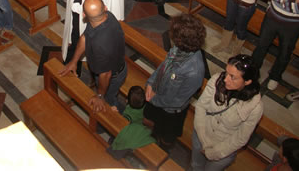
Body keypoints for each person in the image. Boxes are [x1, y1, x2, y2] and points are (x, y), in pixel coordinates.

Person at [192, 55, 263, 170]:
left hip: (222, 151)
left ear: (247, 81)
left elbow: (240, 138)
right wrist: (203, 139)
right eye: (226, 73)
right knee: (195, 165)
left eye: (232, 77)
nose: (225, 79)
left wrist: (214, 152)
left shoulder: (255, 107)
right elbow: (201, 107)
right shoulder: (217, 80)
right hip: (201, 135)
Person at [144, 14, 206, 147]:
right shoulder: (179, 48)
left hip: (171, 111)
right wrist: (150, 83)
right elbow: (164, 66)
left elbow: (176, 101)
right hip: (157, 96)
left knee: (166, 136)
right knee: (154, 126)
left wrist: (154, 99)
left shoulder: (194, 70)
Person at [60, 0, 126, 111]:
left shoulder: (100, 45)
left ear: (83, 15)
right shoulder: (107, 16)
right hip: (110, 67)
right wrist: (74, 61)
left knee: (108, 100)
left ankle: (113, 120)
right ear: (105, 8)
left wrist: (100, 96)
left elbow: (105, 74)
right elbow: (85, 37)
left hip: (112, 76)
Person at [109, 86, 156, 158]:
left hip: (131, 129)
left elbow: (123, 123)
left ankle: (113, 144)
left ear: (127, 100)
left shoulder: (128, 112)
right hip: (140, 126)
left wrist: (115, 113)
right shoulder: (146, 108)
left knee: (116, 139)